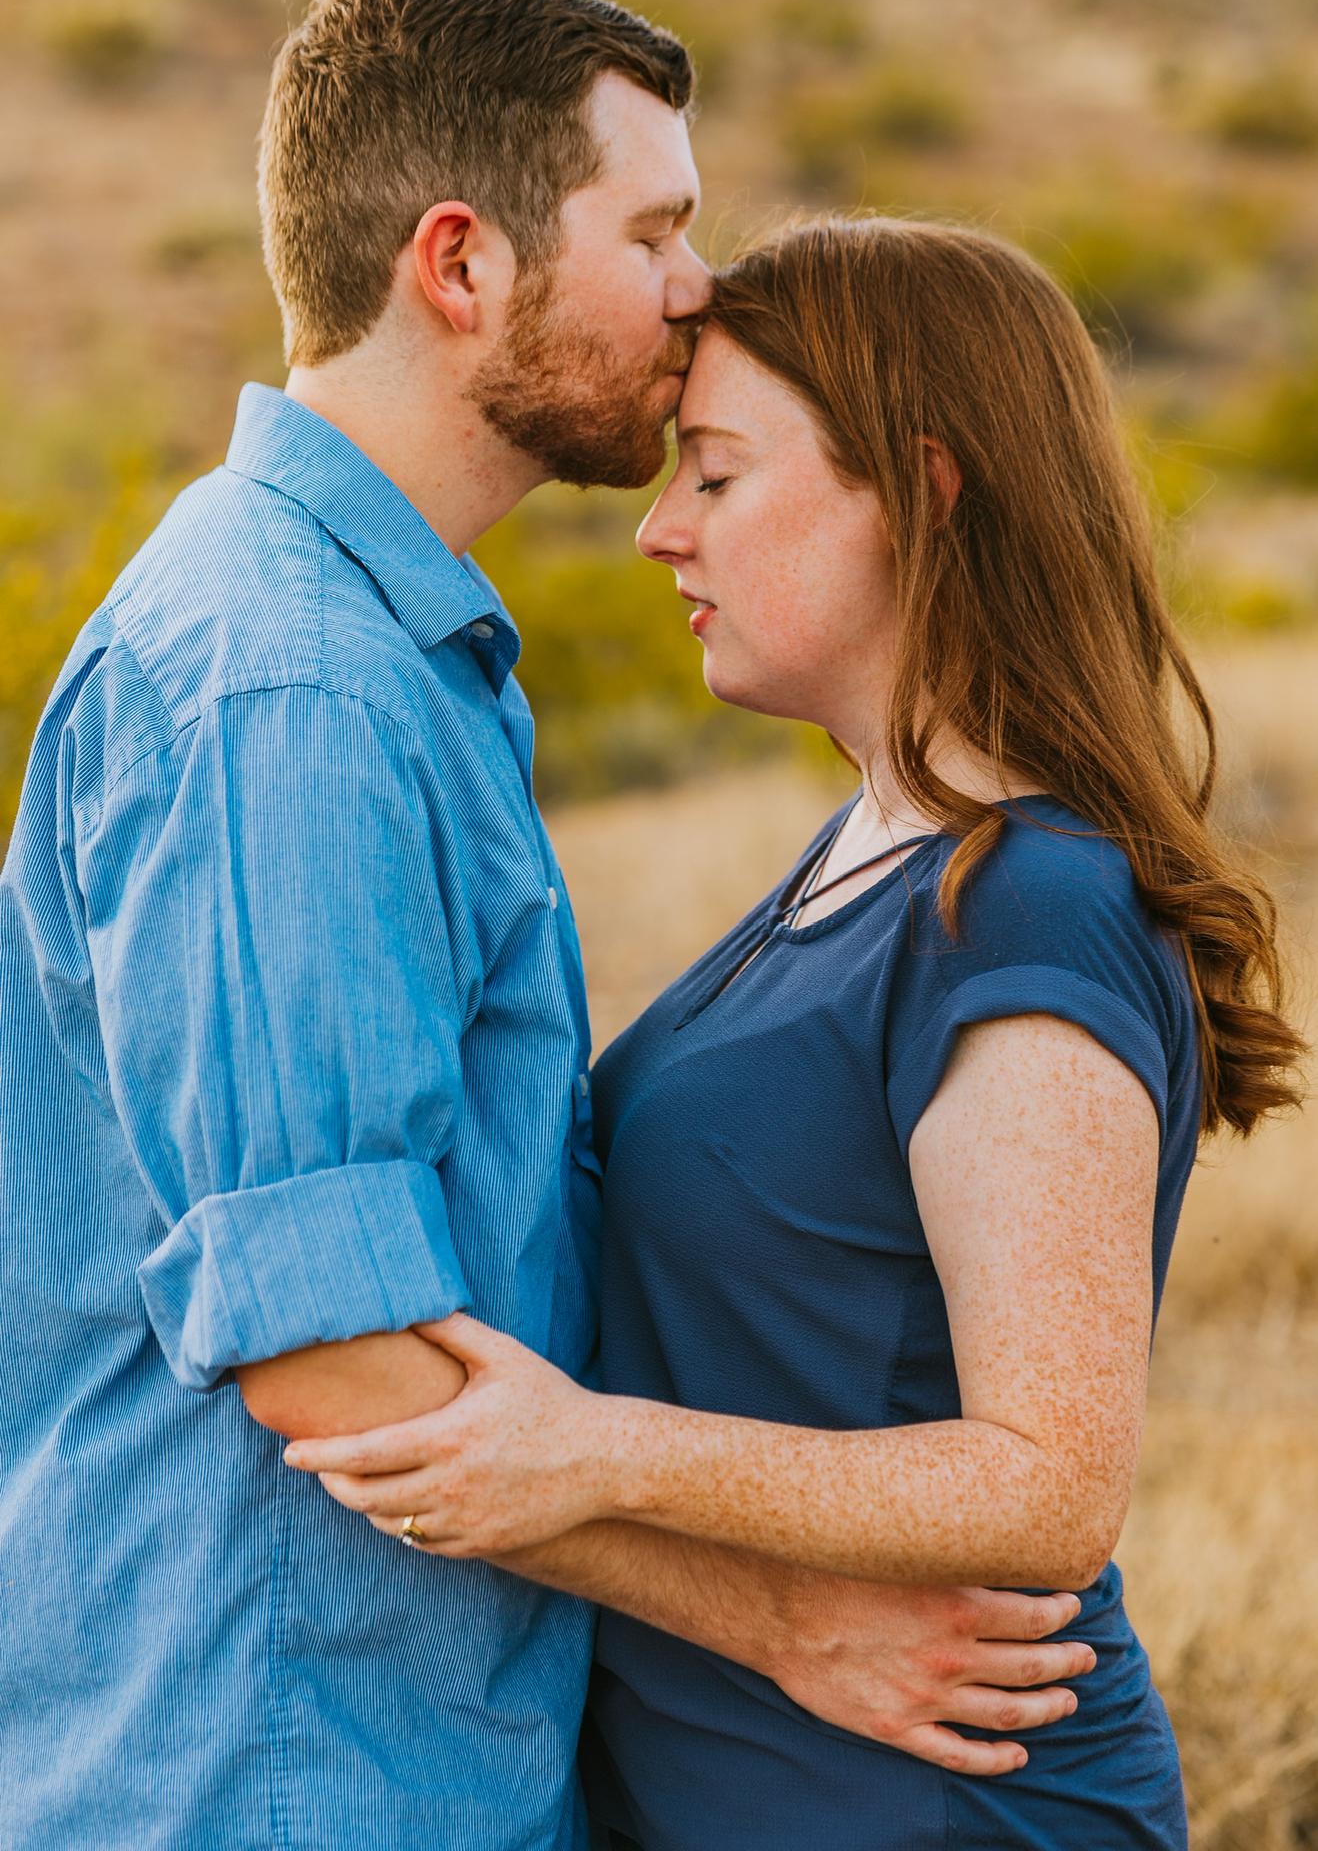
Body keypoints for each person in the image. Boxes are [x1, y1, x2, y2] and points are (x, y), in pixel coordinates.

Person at [0, 0, 1096, 1851]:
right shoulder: (291, 691)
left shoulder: (394, 653)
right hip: (280, 1767)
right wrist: (782, 1625)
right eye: (655, 228)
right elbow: (328, 1356)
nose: (697, 284)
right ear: (459, 264)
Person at [285, 215, 1306, 1851]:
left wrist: (592, 1453)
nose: (659, 534)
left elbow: (1046, 1482)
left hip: (935, 1801)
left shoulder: (1028, 906)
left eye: (717, 473)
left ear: (923, 488)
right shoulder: (866, 852)